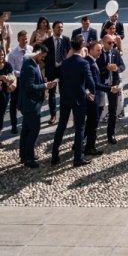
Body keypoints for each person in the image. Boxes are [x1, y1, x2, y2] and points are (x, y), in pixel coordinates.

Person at [51, 34, 96, 168]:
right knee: (80, 128)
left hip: (65, 98)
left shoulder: (65, 62)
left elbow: (62, 80)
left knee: (61, 126)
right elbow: (90, 82)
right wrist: (90, 93)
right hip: (78, 99)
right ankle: (77, 158)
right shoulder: (84, 63)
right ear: (81, 46)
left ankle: (54, 156)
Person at [18, 45, 54, 168]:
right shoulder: (29, 66)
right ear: (38, 53)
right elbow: (29, 87)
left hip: (30, 104)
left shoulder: (31, 63)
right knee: (33, 131)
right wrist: (45, 86)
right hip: (31, 105)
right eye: (43, 56)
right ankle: (28, 158)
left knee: (26, 131)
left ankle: (24, 155)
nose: (43, 58)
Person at [84, 40, 114, 155]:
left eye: (100, 50)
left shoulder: (91, 61)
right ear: (91, 51)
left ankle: (82, 143)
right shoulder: (90, 63)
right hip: (93, 98)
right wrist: (110, 88)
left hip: (94, 96)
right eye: (98, 50)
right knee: (93, 124)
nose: (100, 53)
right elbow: (95, 84)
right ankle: (90, 147)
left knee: (90, 123)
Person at [96, 34, 125, 144]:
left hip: (113, 85)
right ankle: (90, 135)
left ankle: (110, 134)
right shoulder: (98, 52)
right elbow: (95, 68)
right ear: (103, 43)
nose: (112, 44)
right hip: (101, 85)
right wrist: (106, 68)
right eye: (109, 43)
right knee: (98, 110)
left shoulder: (115, 52)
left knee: (112, 111)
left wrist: (116, 68)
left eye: (113, 42)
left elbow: (122, 66)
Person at [43, 21, 70, 124]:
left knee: (64, 93)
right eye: (58, 27)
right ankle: (53, 115)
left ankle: (63, 115)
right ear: (53, 28)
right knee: (52, 93)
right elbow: (44, 57)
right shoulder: (47, 41)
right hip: (52, 71)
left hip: (63, 71)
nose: (60, 29)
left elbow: (69, 53)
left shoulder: (66, 40)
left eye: (62, 27)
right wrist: (46, 68)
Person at [7, 30, 32, 134]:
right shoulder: (13, 54)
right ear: (18, 40)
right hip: (17, 80)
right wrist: (23, 73)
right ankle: (13, 125)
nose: (25, 41)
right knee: (14, 104)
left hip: (28, 80)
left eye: (26, 38)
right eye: (23, 39)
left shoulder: (31, 49)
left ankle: (27, 124)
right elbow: (11, 71)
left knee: (28, 102)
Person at [0, 48, 17, 137]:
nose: (1, 57)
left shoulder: (8, 65)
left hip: (4, 94)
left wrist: (8, 80)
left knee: (1, 115)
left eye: (2, 55)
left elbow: (12, 77)